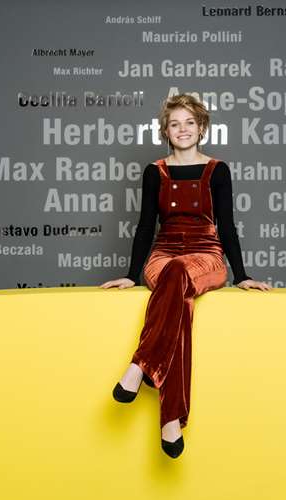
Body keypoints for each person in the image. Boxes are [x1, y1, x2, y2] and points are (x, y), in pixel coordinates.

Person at [101, 94, 271, 458]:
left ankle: (141, 365)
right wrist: (133, 274)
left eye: (190, 123)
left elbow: (227, 225)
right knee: (179, 301)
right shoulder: (155, 171)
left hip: (205, 254)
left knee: (179, 274)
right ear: (165, 130)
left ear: (202, 128)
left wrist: (241, 275)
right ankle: (171, 420)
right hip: (163, 254)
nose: (182, 129)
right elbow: (146, 226)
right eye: (175, 123)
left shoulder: (217, 170)